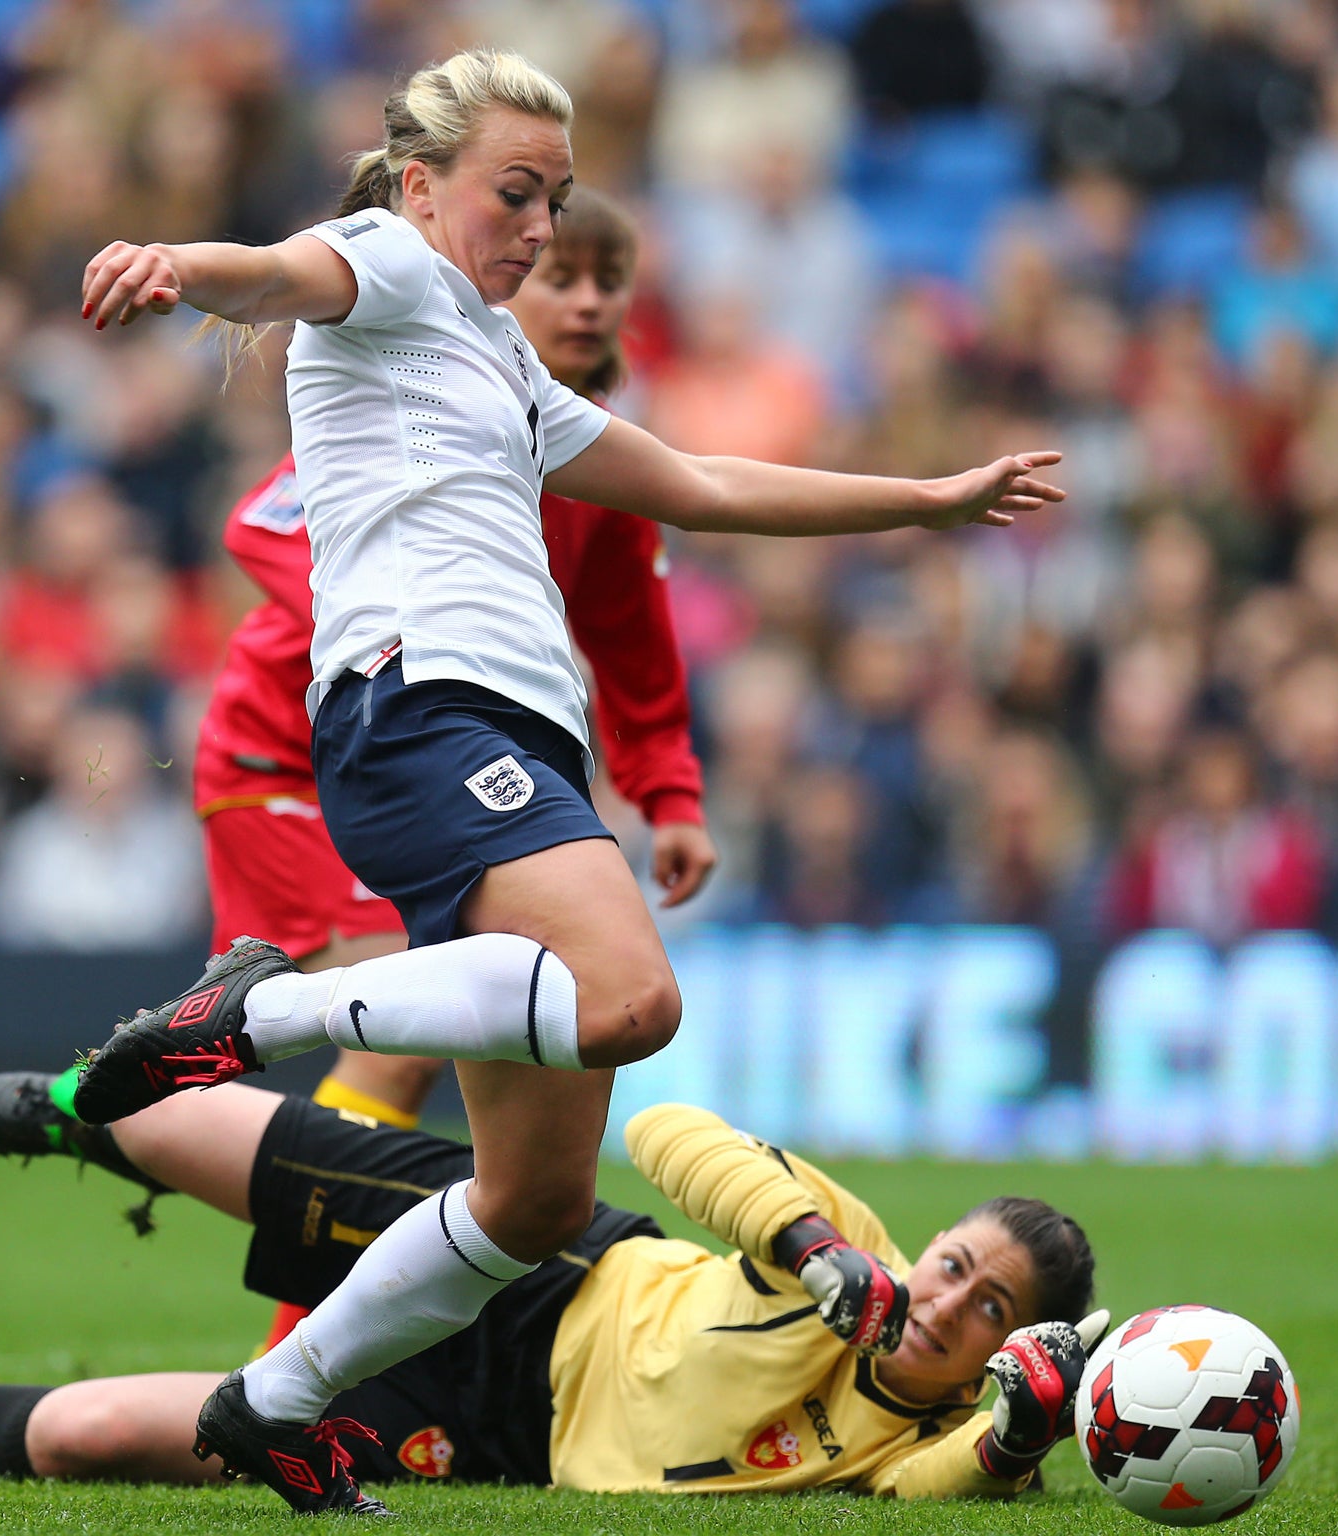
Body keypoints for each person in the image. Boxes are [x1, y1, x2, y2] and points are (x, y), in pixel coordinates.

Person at [64, 48, 1063, 1514]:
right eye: (513, 194)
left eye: (558, 199)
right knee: (635, 1001)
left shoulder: (504, 362)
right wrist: (174, 262)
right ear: (419, 186)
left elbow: (705, 484)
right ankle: (251, 1013)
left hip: (507, 746)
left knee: (528, 1205)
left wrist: (927, 499)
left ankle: (275, 1403)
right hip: (421, 711)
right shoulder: (390, 266)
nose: (539, 229)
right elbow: (278, 273)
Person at [0, 1081, 1106, 1504]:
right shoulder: (840, 1247)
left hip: (486, 1433)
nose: (945, 1299)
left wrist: (1025, 1436)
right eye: (954, 1261)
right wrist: (805, 1243)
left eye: (987, 1306)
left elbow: (942, 1487)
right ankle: (91, 1123)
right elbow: (668, 1133)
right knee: (160, 1119)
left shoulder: (933, 1448)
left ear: (1007, 1346)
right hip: (544, 1263)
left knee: (96, 1439)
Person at [189, 183, 714, 1351]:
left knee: (471, 1055)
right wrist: (393, 632)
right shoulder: (425, 384)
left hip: (435, 757)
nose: (577, 298)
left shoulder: (578, 450)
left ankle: (291, 1338)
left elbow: (631, 639)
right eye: (555, 273)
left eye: (602, 279)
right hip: (300, 751)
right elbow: (259, 527)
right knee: (412, 1033)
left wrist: (668, 795)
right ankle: (292, 1353)